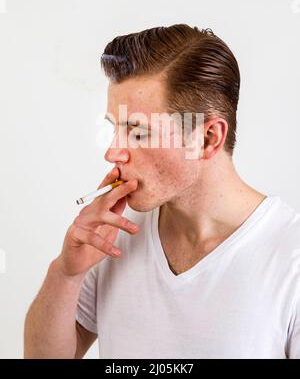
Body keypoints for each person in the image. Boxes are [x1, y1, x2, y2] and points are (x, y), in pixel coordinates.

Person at [24, 24, 300, 359]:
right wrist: (66, 273)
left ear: (208, 138)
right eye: (115, 129)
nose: (113, 153)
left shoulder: (289, 258)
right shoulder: (113, 236)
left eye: (138, 132)